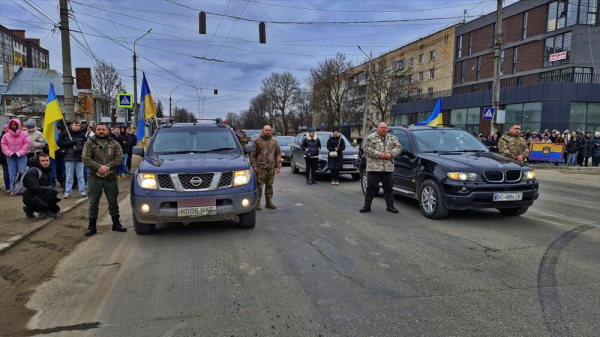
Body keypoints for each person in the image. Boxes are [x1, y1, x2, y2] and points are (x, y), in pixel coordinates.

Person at [82, 123, 126, 236]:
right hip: (94, 177)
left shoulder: (114, 143)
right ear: (95, 130)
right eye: (99, 129)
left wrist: (108, 167)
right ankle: (92, 227)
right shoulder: (89, 143)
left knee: (113, 202)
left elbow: (120, 158)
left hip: (111, 178)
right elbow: (86, 158)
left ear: (108, 131)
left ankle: (116, 224)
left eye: (103, 129)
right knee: (93, 203)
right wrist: (99, 168)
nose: (101, 131)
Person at [361, 122, 402, 214]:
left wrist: (390, 154)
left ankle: (390, 206)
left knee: (389, 188)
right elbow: (366, 149)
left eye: (385, 128)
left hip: (388, 168)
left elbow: (399, 148)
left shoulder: (392, 138)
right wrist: (379, 155)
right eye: (382, 127)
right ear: (377, 128)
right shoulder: (371, 138)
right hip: (374, 168)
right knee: (371, 188)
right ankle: (367, 206)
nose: (384, 129)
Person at [249, 125, 281, 210]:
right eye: (266, 130)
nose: (268, 132)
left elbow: (278, 154)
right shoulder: (257, 141)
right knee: (259, 185)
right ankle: (257, 202)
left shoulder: (274, 141)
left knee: (269, 185)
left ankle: (268, 202)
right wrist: (254, 166)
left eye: (269, 130)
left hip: (271, 167)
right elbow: (252, 155)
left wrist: (278, 166)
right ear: (263, 131)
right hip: (260, 168)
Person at [22, 154, 61, 219]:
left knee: (56, 210)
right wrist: (50, 189)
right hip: (30, 197)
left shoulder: (46, 170)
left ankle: (29, 209)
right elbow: (34, 188)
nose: (45, 162)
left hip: (38, 195)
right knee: (52, 191)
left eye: (47, 160)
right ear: (38, 161)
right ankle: (43, 212)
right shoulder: (33, 171)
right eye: (43, 161)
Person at [57, 121, 87, 198]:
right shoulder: (65, 134)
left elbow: (86, 145)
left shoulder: (82, 135)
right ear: (71, 125)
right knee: (69, 176)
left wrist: (80, 149)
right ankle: (67, 192)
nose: (77, 126)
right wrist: (71, 143)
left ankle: (82, 191)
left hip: (79, 157)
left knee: (80, 176)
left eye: (78, 125)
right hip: (69, 157)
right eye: (75, 125)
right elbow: (59, 143)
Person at [1, 119, 31, 193]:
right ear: (9, 125)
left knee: (22, 172)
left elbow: (27, 144)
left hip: (21, 156)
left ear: (18, 125)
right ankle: (13, 189)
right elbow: (3, 145)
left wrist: (19, 153)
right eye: (12, 125)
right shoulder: (6, 135)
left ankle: (22, 189)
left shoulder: (24, 134)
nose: (13, 126)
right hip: (10, 157)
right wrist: (9, 153)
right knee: (12, 173)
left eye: (15, 124)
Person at [0, 127, 10, 192]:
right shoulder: (1, 137)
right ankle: (8, 187)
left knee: (11, 174)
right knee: (6, 173)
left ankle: (11, 187)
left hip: (11, 157)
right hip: (4, 158)